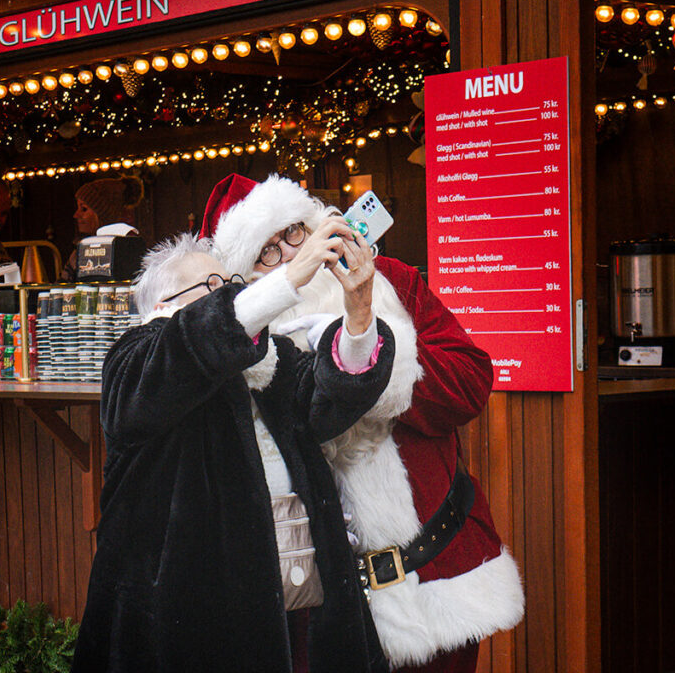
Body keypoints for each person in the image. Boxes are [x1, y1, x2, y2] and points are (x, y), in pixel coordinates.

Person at [203, 174, 524, 673]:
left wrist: (374, 352)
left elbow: (470, 383)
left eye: (294, 233)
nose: (290, 254)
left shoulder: (391, 278)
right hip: (316, 604)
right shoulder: (244, 344)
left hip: (437, 578)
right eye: (266, 252)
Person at [72, 226, 397, 673]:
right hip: (183, 622)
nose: (228, 298)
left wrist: (358, 316)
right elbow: (188, 345)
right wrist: (287, 280)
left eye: (230, 286)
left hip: (296, 600)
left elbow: (329, 404)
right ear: (164, 307)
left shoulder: (270, 361)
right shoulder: (137, 360)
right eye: (211, 289)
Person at [60, 176, 143, 281]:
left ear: (103, 215)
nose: (76, 215)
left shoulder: (128, 250)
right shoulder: (77, 252)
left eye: (84, 209)